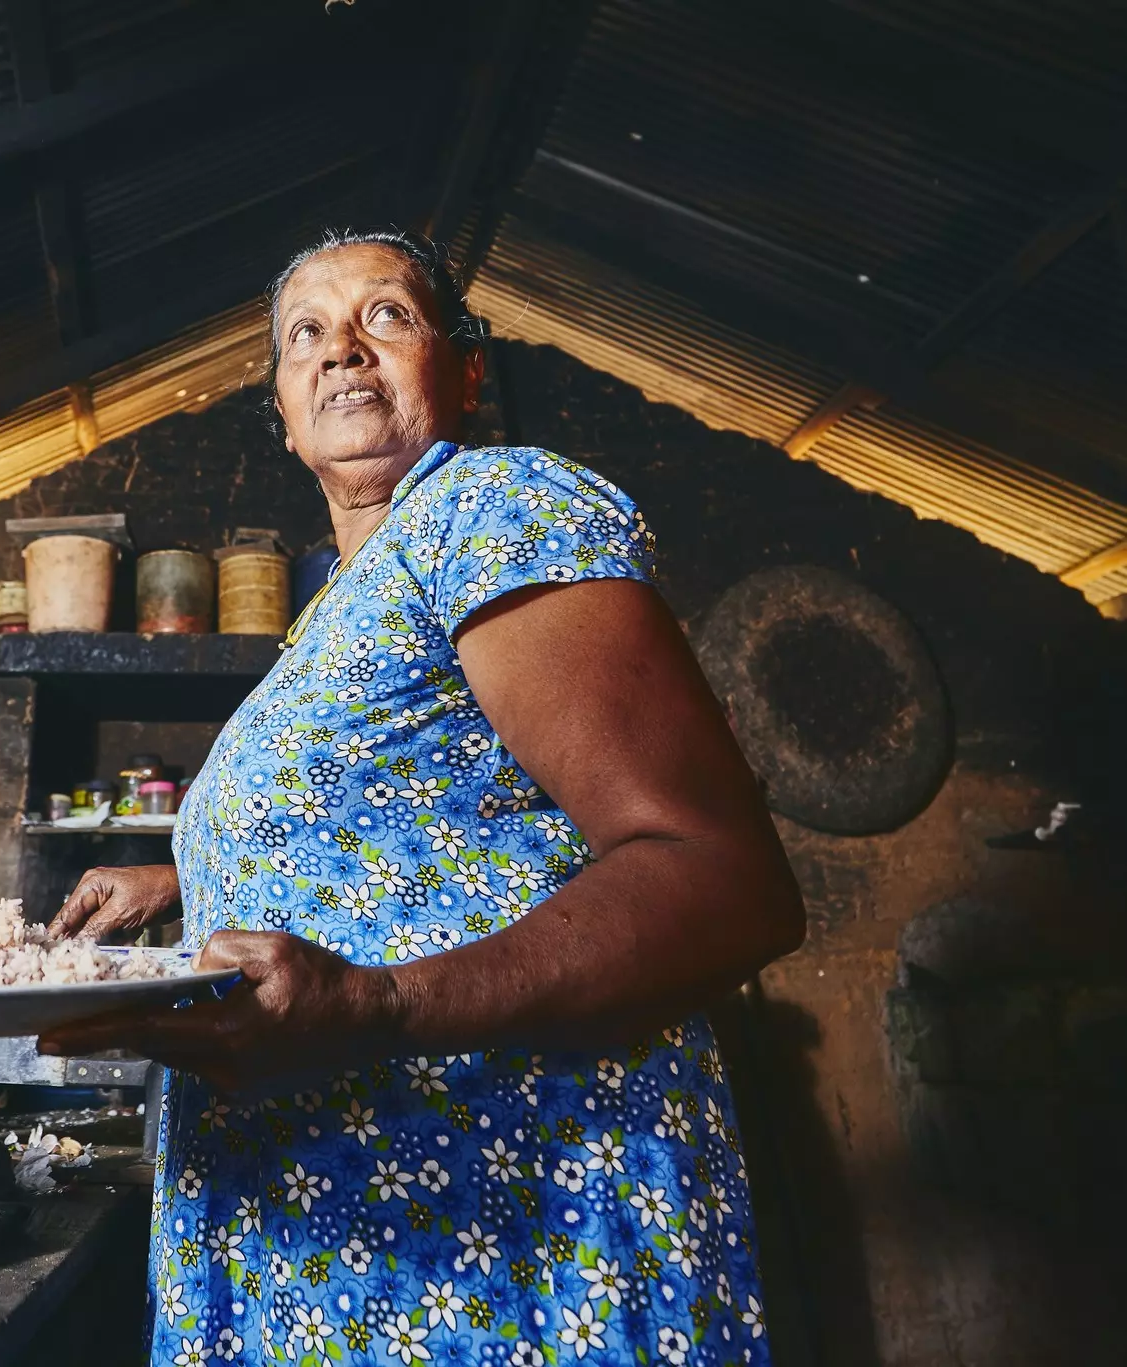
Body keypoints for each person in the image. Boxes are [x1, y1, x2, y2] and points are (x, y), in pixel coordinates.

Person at [40, 229, 804, 1367]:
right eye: (305, 333)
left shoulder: (492, 506)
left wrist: (377, 1004)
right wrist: (189, 874)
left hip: (490, 1238)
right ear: (285, 412)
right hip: (326, 1238)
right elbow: (431, 817)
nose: (342, 347)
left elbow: (720, 877)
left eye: (386, 315)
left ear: (467, 370)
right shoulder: (342, 598)